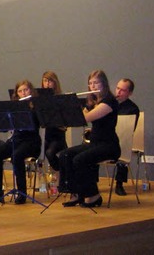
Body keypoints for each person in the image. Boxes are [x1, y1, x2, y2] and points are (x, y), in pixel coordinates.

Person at [58, 70, 120, 208]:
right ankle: (75, 193)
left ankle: (93, 196)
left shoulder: (109, 101)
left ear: (103, 83)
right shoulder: (93, 102)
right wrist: (70, 105)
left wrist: (74, 107)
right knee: (65, 154)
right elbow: (80, 116)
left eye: (96, 82)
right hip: (95, 143)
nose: (92, 86)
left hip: (109, 145)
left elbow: (85, 118)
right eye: (90, 83)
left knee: (80, 159)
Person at [0, 80, 42, 205]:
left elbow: (38, 123)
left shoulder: (36, 106)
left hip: (31, 142)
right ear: (17, 94)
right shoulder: (14, 108)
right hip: (16, 140)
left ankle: (21, 192)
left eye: (26, 90)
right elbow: (5, 127)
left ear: (31, 91)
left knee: (16, 156)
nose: (23, 93)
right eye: (20, 91)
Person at [114, 78, 140, 196]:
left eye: (122, 90)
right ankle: (92, 183)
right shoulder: (109, 104)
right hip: (107, 138)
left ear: (129, 93)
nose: (118, 92)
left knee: (123, 147)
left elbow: (129, 130)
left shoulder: (132, 109)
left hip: (121, 139)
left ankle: (119, 184)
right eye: (117, 88)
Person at [40, 71, 67, 172]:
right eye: (45, 81)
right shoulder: (40, 100)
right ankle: (41, 181)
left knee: (50, 153)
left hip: (57, 137)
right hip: (44, 136)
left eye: (50, 81)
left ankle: (63, 172)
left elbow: (64, 124)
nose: (47, 84)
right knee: (39, 152)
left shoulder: (60, 99)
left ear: (55, 83)